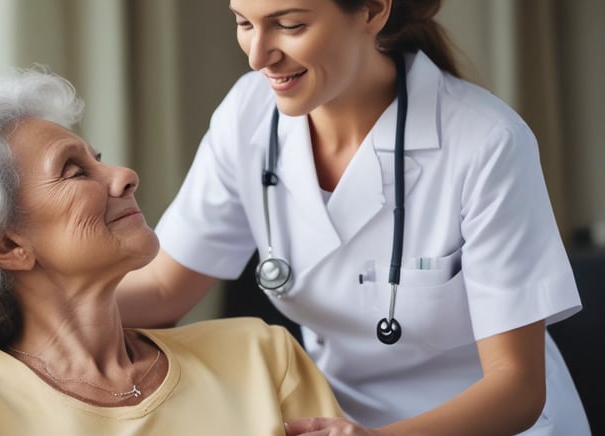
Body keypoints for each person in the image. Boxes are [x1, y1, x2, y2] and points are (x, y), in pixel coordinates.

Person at [116, 0, 590, 434]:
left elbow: (518, 389)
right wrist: (45, 306)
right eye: (243, 23)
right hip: (334, 416)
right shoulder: (249, 114)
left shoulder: (486, 142)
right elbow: (163, 291)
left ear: (373, 11)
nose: (258, 56)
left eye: (290, 25)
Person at [0, 68, 344, 435]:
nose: (124, 175)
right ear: (6, 244)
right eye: (75, 171)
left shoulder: (262, 355)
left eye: (97, 157)